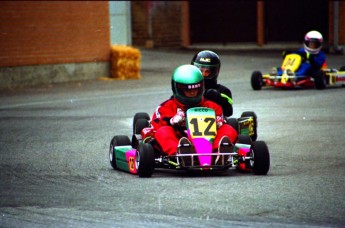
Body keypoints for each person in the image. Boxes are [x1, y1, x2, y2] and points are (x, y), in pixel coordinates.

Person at [150, 64, 238, 163]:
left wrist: (219, 122)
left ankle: (219, 153)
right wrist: (172, 121)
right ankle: (181, 155)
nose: (193, 93)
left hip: (209, 143)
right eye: (188, 90)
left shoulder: (211, 106)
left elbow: (222, 120)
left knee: (228, 128)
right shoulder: (167, 106)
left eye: (195, 89)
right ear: (178, 89)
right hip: (180, 140)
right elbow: (156, 126)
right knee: (163, 131)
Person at [191, 50, 233, 117]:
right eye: (201, 71)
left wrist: (218, 97)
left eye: (207, 71)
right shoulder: (188, 89)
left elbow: (229, 112)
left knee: (231, 124)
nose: (203, 74)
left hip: (215, 124)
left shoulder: (223, 91)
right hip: (187, 123)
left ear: (214, 72)